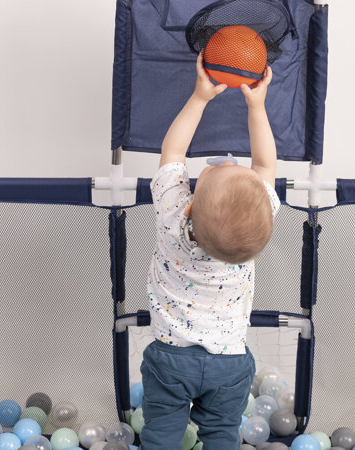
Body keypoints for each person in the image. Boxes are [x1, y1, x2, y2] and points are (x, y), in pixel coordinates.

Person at [140, 52, 280, 450]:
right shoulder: (250, 238)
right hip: (230, 365)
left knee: (161, 434)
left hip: (170, 360)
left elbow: (172, 154)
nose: (232, 161)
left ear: (188, 203)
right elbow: (265, 165)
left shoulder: (172, 221)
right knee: (221, 434)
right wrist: (257, 105)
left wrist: (200, 97)